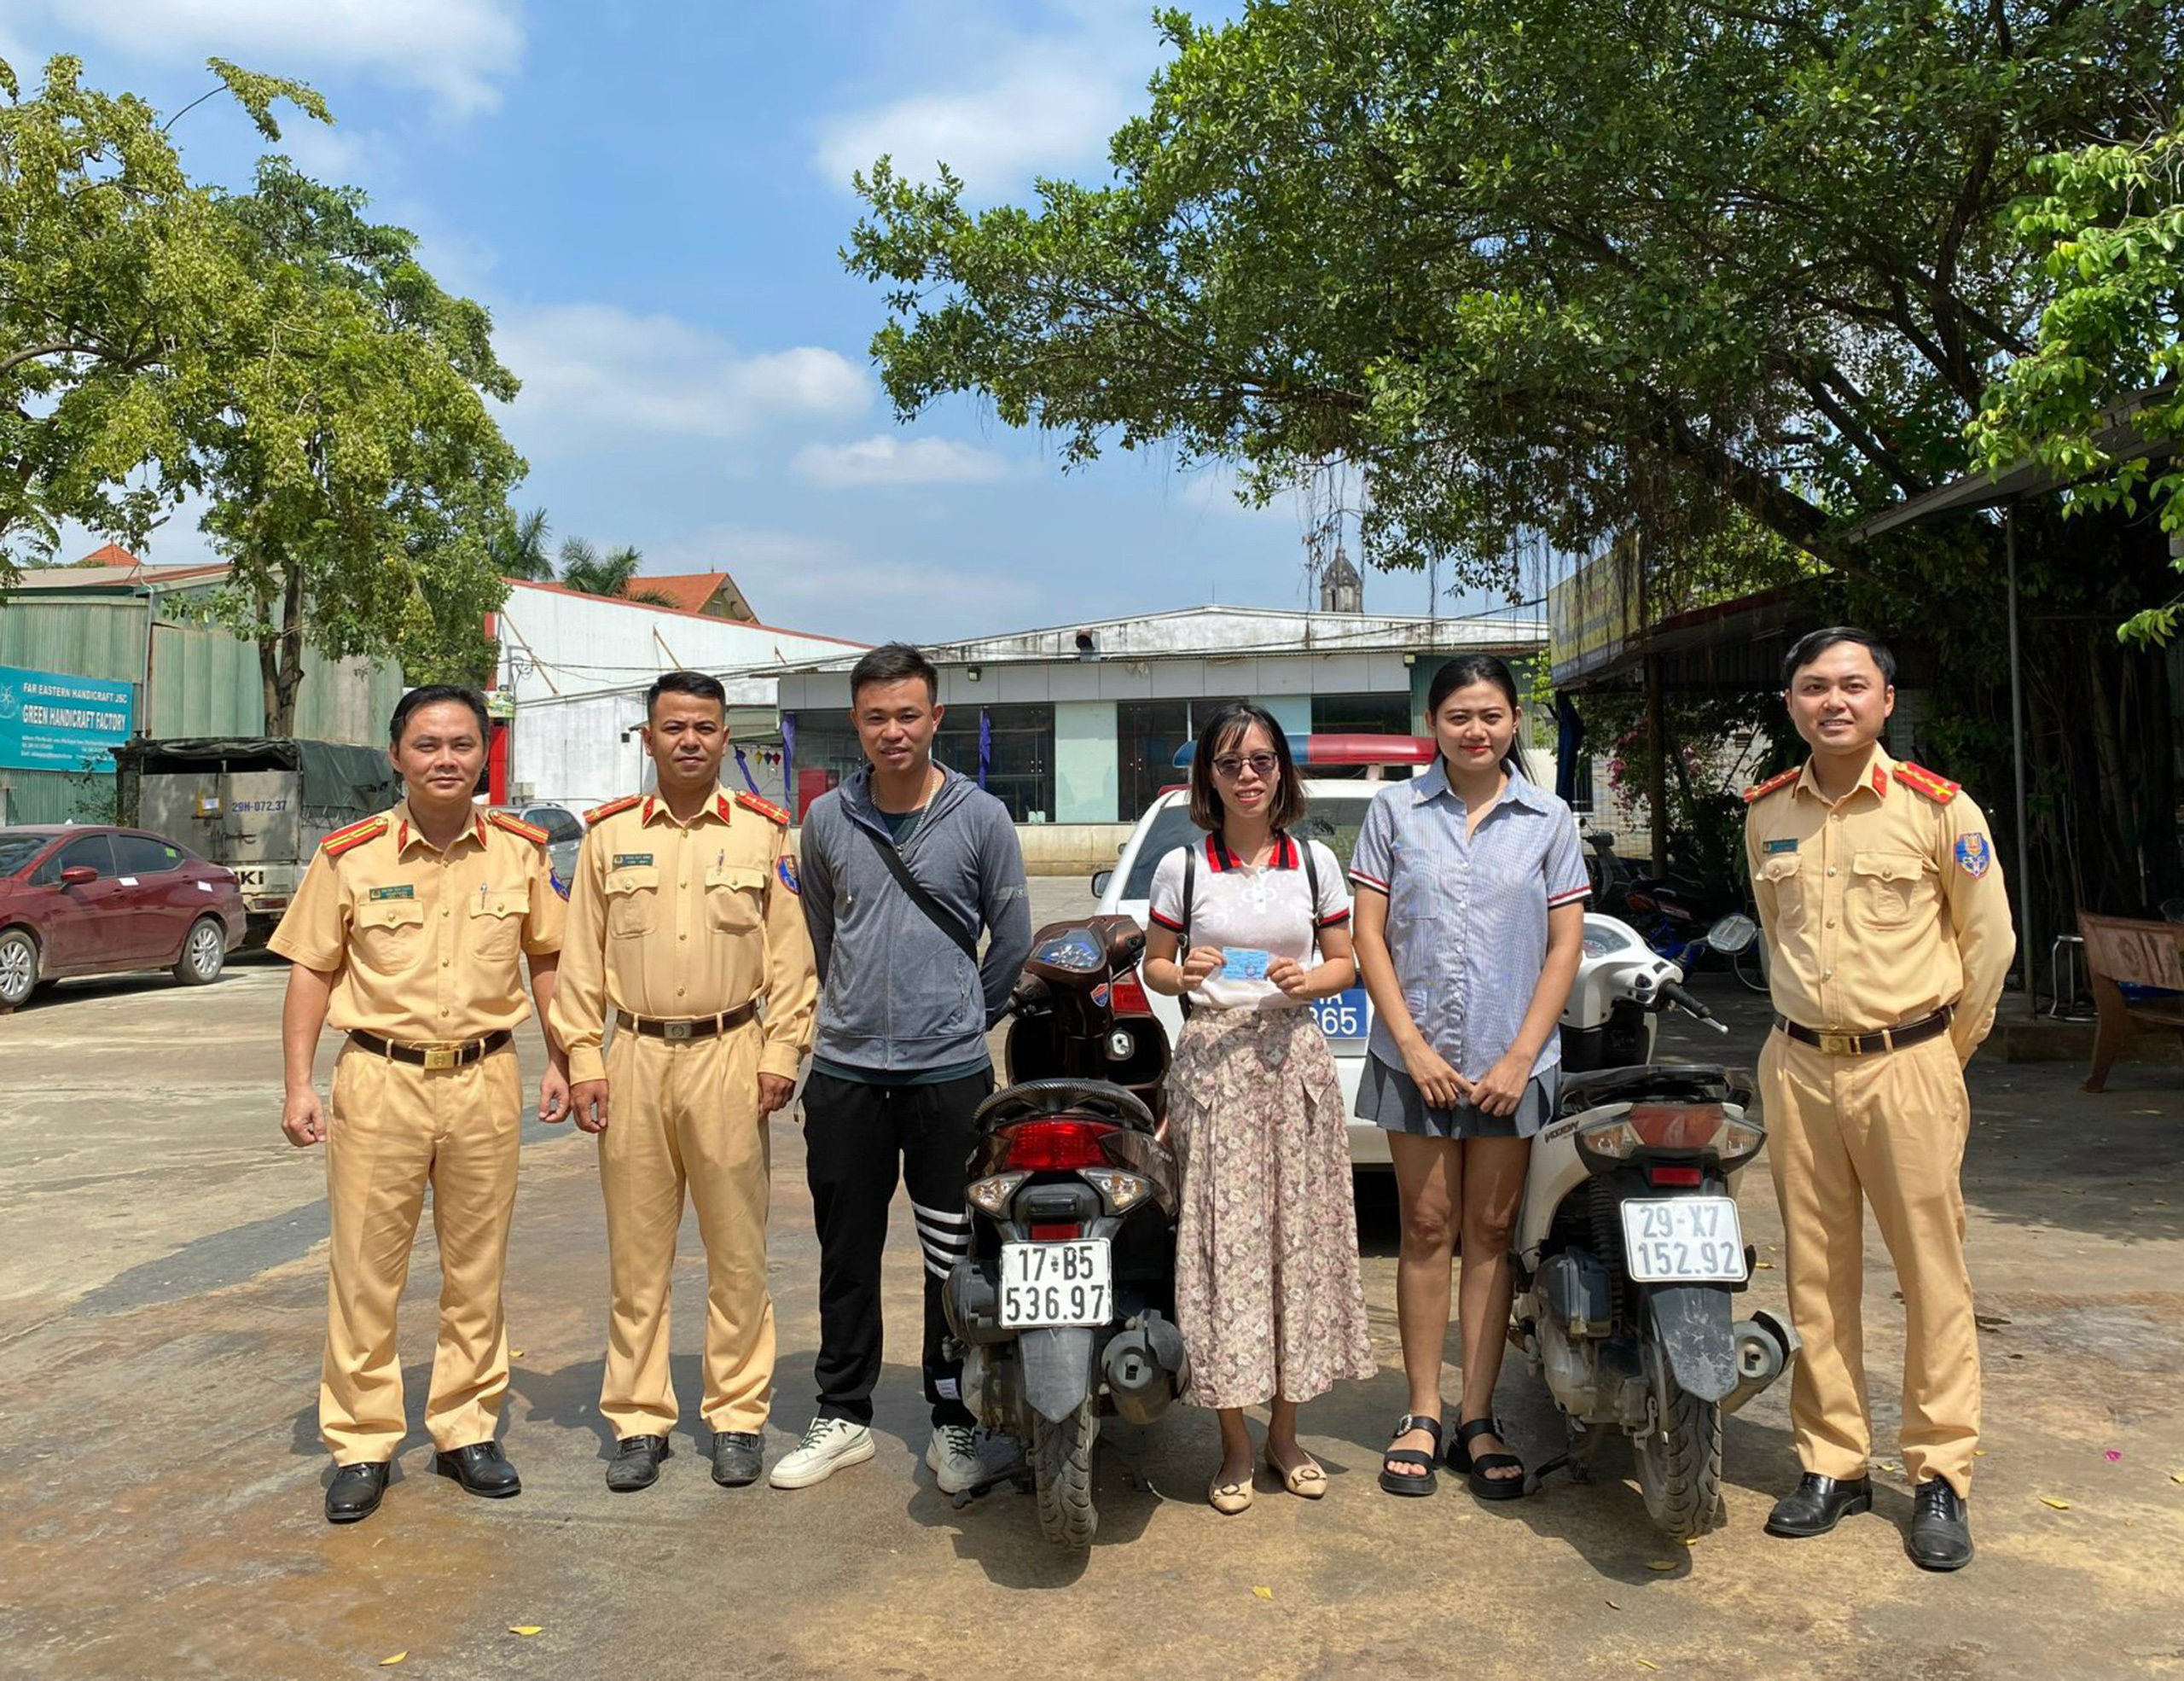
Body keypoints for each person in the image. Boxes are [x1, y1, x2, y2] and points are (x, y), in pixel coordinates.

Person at [1745, 626, 2013, 1571]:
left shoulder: (1939, 809)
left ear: (1886, 700)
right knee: (1815, 1273)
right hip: (1797, 1064)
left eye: (1853, 685)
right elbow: (1775, 933)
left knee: (1931, 1271)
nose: (1835, 701)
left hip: (1909, 1062)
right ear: (1791, 702)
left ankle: (1940, 1472)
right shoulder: (1767, 813)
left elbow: (1989, 946)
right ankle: (1833, 1462)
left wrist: (1940, 1056)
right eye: (1814, 686)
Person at [271, 685, 569, 1525]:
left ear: (484, 755)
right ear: (397, 755)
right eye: (428, 744)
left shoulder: (519, 852)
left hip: (485, 1077)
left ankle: (465, 1431)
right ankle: (363, 1442)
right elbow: (312, 970)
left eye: (462, 744)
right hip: (380, 1078)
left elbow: (548, 958)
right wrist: (298, 1082)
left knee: (477, 1269)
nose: (446, 759)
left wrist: (567, 1057)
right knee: (366, 1272)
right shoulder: (352, 855)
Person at [772, 643, 1033, 1495]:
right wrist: (850, 1013)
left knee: (951, 1256)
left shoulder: (981, 818)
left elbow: (1012, 941)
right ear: (857, 722)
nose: (894, 731)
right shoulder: (828, 820)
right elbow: (821, 932)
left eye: (908, 714)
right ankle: (843, 1412)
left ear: (935, 718)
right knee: (845, 1249)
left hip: (947, 1080)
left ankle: (955, 1419)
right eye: (877, 716)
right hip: (847, 1074)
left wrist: (962, 1017)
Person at [549, 672, 817, 1493]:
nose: (689, 741)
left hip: (730, 1052)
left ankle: (736, 1416)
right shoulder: (608, 837)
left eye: (704, 727)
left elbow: (791, 959)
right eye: (674, 727)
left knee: (737, 1251)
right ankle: (639, 1420)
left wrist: (781, 1054)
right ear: (650, 737)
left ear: (725, 738)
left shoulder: (764, 835)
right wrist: (584, 1061)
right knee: (637, 1257)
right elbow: (580, 963)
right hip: (632, 1056)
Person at [1350, 654, 1589, 1499]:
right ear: (1433, 724)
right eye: (1458, 715)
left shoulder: (1548, 819)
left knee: (1489, 1233)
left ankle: (1477, 1416)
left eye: (1490, 714)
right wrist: (1411, 1046)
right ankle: (1421, 1410)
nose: (1475, 730)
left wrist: (1522, 1054)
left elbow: (1565, 942)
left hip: (1509, 1063)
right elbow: (1368, 934)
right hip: (1412, 1059)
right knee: (1424, 1228)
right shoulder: (1394, 810)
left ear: (1514, 720)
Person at [1140, 704, 1374, 1515]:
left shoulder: (1314, 862)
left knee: (1294, 1249)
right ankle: (1235, 1443)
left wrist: (1312, 979)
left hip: (1293, 1067)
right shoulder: (1183, 868)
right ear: (1208, 775)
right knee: (1225, 1254)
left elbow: (1345, 962)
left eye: (1262, 761)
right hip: (1215, 1070)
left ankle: (1286, 1435)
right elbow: (1155, 967)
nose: (1247, 776)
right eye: (1231, 762)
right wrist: (1181, 972)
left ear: (1282, 772)